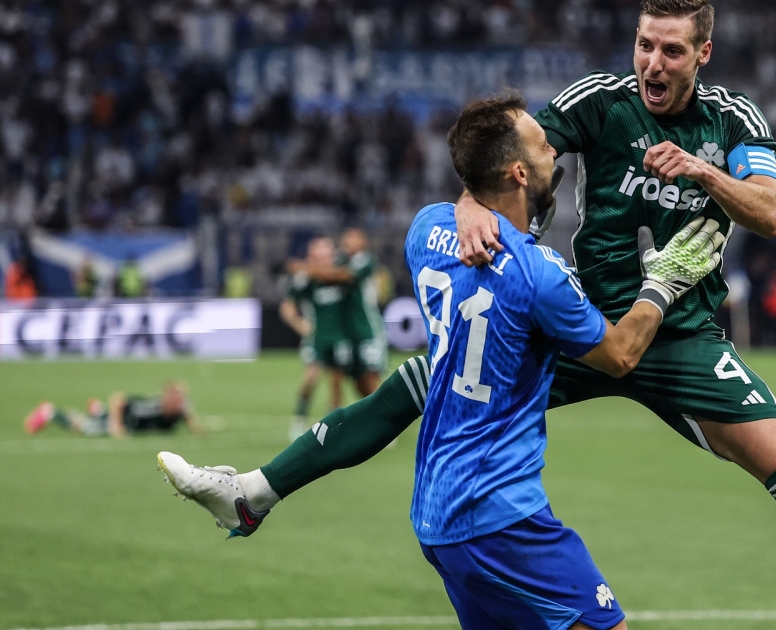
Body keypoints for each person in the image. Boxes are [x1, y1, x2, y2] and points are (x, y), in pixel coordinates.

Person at [157, 93, 721, 630]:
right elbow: (620, 355)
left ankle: (256, 491)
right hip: (501, 516)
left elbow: (477, 220)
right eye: (542, 144)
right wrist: (663, 284)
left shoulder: (426, 230)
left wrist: (486, 206)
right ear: (518, 173)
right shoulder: (541, 275)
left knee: (417, 378)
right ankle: (254, 492)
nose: (555, 148)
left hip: (437, 514)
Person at [453, 2, 776, 627]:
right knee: (428, 381)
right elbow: (512, 157)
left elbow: (770, 212)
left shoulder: (732, 120)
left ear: (703, 54)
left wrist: (703, 170)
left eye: (672, 50)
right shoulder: (601, 101)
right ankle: (283, 481)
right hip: (588, 327)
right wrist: (467, 202)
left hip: (681, 337)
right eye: (645, 45)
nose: (653, 62)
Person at [288, 228, 388, 398]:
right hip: (349, 333)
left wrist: (304, 268)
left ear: (362, 242)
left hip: (367, 329)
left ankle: (387, 410)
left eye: (353, 240)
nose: (347, 244)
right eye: (346, 240)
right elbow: (327, 268)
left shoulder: (365, 260)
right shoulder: (341, 259)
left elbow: (343, 276)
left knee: (371, 377)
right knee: (358, 383)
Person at [279, 236, 350, 441]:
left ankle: (332, 427)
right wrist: (299, 323)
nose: (324, 259)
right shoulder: (306, 280)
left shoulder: (340, 275)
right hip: (317, 338)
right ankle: (299, 420)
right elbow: (287, 306)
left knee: (336, 384)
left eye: (326, 254)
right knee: (310, 378)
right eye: (319, 255)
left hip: (339, 337)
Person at [25, 381, 197, 437]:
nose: (180, 402)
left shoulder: (179, 411)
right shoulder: (152, 407)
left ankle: (98, 409)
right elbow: (118, 400)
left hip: (125, 423)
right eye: (176, 398)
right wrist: (116, 426)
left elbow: (190, 419)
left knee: (98, 419)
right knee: (86, 428)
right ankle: (50, 412)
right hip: (120, 419)